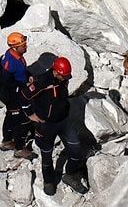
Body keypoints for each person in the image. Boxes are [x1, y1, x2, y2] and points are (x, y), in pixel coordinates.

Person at [21, 57, 88, 196]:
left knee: (75, 148)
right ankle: (49, 181)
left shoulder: (62, 79)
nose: (66, 79)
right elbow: (24, 97)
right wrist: (29, 114)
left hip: (64, 120)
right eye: (64, 76)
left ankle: (70, 175)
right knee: (46, 156)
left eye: (67, 77)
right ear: (56, 72)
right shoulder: (43, 82)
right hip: (46, 125)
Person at [0, 32, 36, 160]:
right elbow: (7, 82)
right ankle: (19, 148)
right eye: (23, 45)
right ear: (15, 47)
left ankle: (7, 141)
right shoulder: (10, 62)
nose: (26, 47)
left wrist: (27, 76)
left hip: (15, 91)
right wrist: (21, 88)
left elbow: (20, 72)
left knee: (11, 116)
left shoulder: (15, 56)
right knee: (23, 120)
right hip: (12, 95)